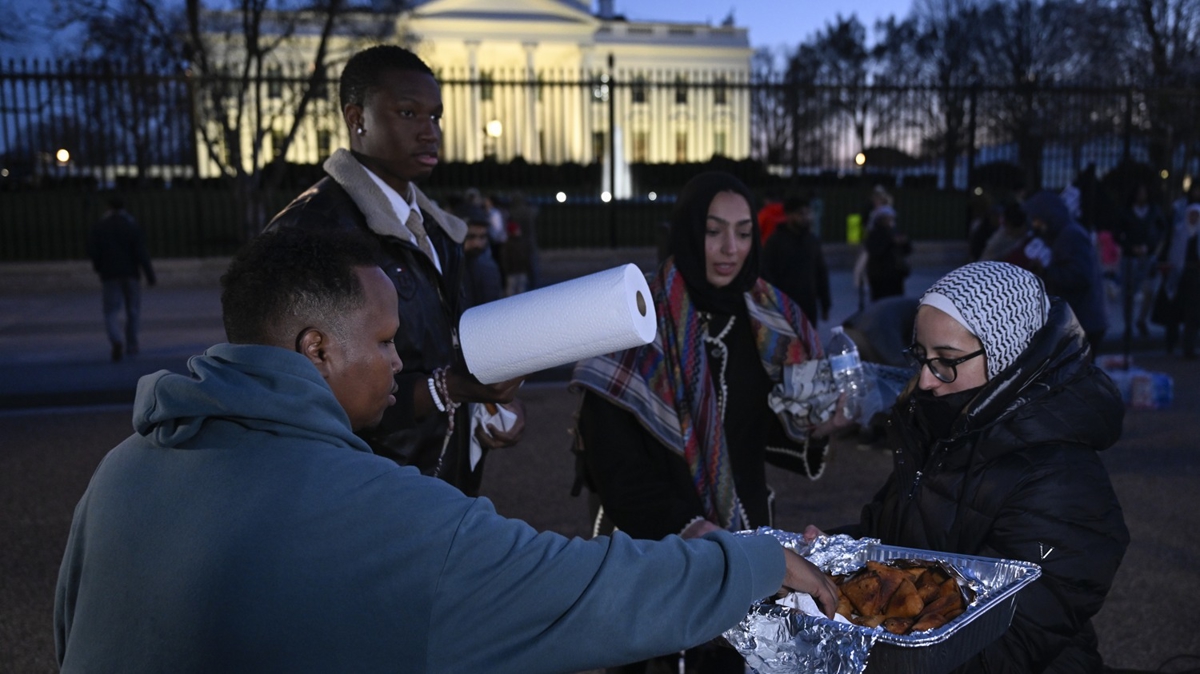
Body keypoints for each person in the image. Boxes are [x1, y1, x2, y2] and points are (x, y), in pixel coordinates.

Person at [53, 225, 839, 673]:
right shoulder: (379, 511)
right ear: (317, 348)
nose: (401, 362)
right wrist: (756, 562)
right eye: (389, 341)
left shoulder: (121, 470)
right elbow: (582, 590)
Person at [571, 172, 846, 674]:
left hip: (746, 538)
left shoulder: (769, 319)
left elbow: (758, 434)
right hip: (656, 546)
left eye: (744, 232)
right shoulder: (635, 321)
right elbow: (614, 462)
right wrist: (700, 536)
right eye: (713, 230)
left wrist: (818, 423)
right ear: (686, 231)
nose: (729, 248)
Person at [806, 261, 1129, 674]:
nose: (925, 380)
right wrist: (828, 555)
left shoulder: (1061, 477)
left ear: (1009, 358)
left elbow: (1017, 633)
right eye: (921, 356)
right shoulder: (945, 428)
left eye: (947, 359)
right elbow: (897, 541)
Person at [267, 45, 522, 497]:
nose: (430, 133)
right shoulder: (312, 229)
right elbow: (305, 393)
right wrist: (448, 389)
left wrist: (478, 413)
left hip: (438, 485)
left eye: (435, 117)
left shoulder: (437, 229)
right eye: (408, 113)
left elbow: (441, 353)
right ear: (357, 118)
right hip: (364, 491)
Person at [1022, 190, 1108, 358]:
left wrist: (1047, 273)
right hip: (1080, 319)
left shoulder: (1071, 235)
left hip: (1084, 320)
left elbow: (1081, 276)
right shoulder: (1062, 235)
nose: (1035, 224)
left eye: (1037, 219)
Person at [86, 194, 156, 362]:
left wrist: (99, 267)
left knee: (110, 310)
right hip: (130, 272)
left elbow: (94, 251)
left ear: (108, 207)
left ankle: (116, 340)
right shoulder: (130, 225)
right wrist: (149, 274)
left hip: (110, 273)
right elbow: (141, 252)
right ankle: (131, 344)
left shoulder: (101, 226)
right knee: (132, 310)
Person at [761, 196, 832, 327]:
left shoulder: (812, 241)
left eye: (808, 213)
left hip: (808, 306)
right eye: (800, 214)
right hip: (784, 307)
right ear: (788, 215)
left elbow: (821, 273)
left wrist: (825, 304)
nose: (806, 217)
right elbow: (767, 275)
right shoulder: (775, 242)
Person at [1115, 183, 1168, 339]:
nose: (1141, 197)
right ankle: (1128, 325)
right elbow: (1117, 233)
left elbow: (1162, 230)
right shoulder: (1126, 212)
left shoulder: (1154, 211)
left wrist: (1152, 247)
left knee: (1149, 291)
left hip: (1148, 257)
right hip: (1130, 257)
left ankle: (1142, 320)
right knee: (1128, 293)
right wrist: (1130, 247)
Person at [1158, 203, 1200, 358]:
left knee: (1193, 313)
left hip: (1195, 276)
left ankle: (1188, 347)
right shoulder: (1179, 231)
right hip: (1177, 274)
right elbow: (1173, 252)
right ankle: (1171, 343)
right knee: (1174, 311)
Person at [456, 202, 503, 306]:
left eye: (482, 237)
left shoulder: (490, 268)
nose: (477, 243)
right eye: (470, 237)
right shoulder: (449, 269)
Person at [864, 204, 912, 301]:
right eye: (887, 218)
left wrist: (904, 242)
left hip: (895, 275)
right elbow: (875, 251)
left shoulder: (895, 231)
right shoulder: (874, 234)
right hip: (880, 276)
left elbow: (907, 250)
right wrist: (890, 241)